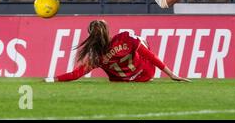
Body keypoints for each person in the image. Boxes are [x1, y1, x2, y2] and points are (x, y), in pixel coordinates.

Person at [44, 20, 190, 83]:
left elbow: (75, 74)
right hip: (145, 75)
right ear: (107, 31)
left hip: (122, 81)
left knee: (137, 43)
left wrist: (51, 79)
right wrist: (172, 75)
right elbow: (151, 56)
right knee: (140, 40)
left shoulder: (96, 56)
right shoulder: (125, 38)